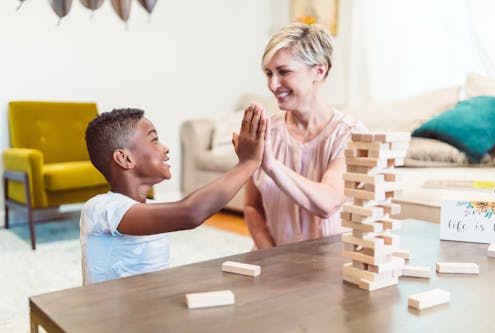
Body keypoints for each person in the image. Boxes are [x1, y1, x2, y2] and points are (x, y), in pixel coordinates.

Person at [81, 107, 266, 285]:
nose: (165, 148)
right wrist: (247, 163)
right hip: (110, 316)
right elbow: (190, 213)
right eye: (154, 141)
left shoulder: (151, 207)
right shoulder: (100, 209)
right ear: (125, 158)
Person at [244, 23, 367, 249]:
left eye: (284, 72)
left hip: (330, 270)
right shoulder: (266, 131)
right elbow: (252, 206)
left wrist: (271, 165)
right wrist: (271, 258)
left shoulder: (350, 135)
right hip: (273, 264)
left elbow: (328, 203)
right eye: (268, 73)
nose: (273, 84)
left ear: (319, 71)